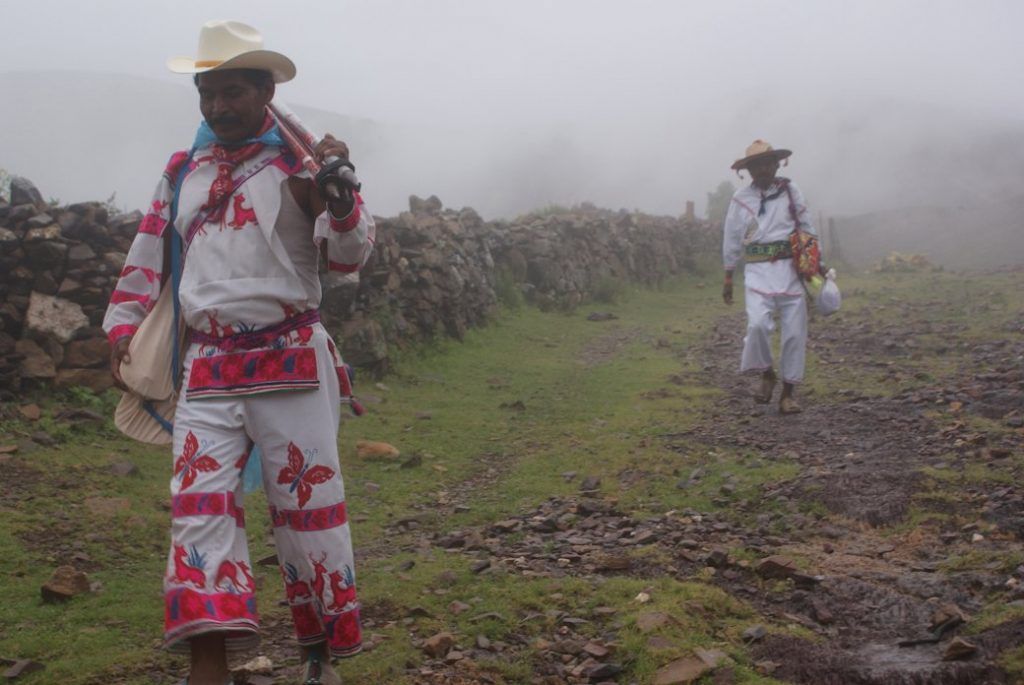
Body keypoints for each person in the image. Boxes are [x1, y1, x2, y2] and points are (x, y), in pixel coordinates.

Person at [103, 20, 374, 685]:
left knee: (307, 516)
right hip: (209, 366)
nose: (219, 107)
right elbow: (150, 252)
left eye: (233, 92)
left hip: (290, 360)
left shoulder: (303, 168)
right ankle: (208, 668)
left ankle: (317, 657)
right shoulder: (183, 172)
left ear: (265, 90)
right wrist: (123, 328)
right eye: (208, 94)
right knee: (198, 513)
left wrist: (339, 198)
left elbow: (349, 254)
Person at [721, 140, 816, 415]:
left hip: (790, 271)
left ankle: (788, 393)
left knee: (794, 334)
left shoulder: (791, 191)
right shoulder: (740, 199)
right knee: (758, 326)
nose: (763, 169)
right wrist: (728, 276)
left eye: (767, 163)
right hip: (757, 273)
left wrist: (814, 266)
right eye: (756, 166)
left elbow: (806, 226)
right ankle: (766, 373)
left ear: (777, 164)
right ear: (748, 171)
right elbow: (731, 238)